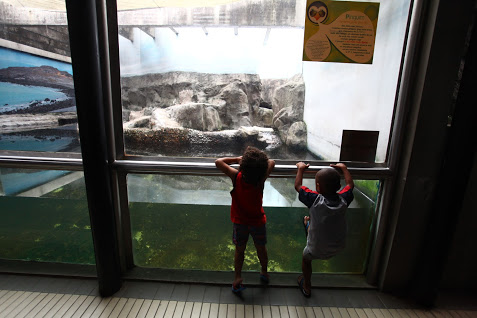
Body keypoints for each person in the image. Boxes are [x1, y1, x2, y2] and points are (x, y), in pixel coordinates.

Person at [215, 146, 275, 293]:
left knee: (239, 250)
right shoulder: (260, 180)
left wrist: (236, 159)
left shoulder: (236, 177)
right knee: (261, 248)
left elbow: (218, 162)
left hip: (240, 223)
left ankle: (237, 277)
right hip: (258, 222)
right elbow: (272, 162)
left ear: (242, 167)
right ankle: (264, 272)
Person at [294, 162, 354, 297]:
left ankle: (307, 285)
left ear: (318, 187)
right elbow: (350, 185)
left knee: (306, 258)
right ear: (339, 187)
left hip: (316, 249)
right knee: (311, 221)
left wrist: (300, 169)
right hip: (338, 246)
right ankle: (307, 223)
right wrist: (344, 168)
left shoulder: (315, 199)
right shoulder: (344, 199)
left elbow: (298, 186)